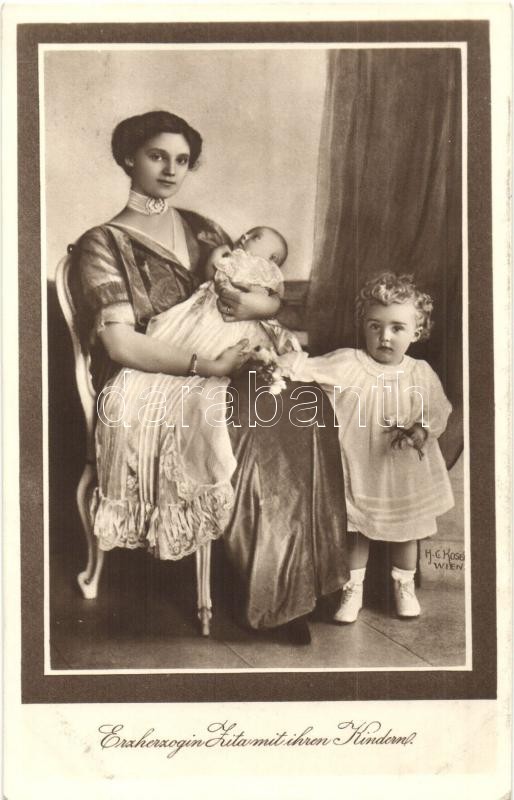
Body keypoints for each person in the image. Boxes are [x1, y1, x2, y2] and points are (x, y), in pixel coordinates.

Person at [70, 110, 349, 645]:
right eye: (157, 156)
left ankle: (314, 578)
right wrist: (207, 367)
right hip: (156, 377)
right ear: (128, 157)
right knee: (259, 419)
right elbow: (119, 344)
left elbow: (264, 293)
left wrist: (259, 307)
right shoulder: (102, 243)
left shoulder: (202, 229)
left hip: (229, 361)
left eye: (181, 160)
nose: (170, 169)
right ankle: (272, 598)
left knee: (306, 402)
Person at [278, 272, 454, 623]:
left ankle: (404, 587)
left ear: (416, 332)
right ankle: (352, 590)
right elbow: (305, 368)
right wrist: (279, 360)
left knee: (406, 531)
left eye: (397, 328)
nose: (385, 336)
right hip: (359, 466)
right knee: (356, 531)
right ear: (364, 327)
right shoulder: (348, 363)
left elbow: (438, 410)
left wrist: (421, 431)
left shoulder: (420, 372)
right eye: (376, 326)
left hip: (402, 472)